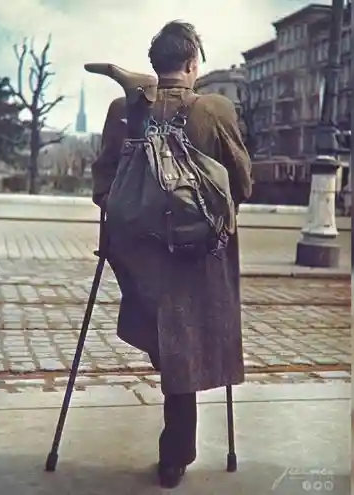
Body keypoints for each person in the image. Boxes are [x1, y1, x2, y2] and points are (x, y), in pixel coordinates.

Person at [90, 20, 252, 489]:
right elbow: (241, 183)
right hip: (200, 255)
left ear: (154, 65)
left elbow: (103, 186)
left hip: (140, 259)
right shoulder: (215, 109)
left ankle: (175, 448)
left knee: (166, 342)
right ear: (192, 64)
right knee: (187, 345)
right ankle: (175, 455)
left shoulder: (124, 109)